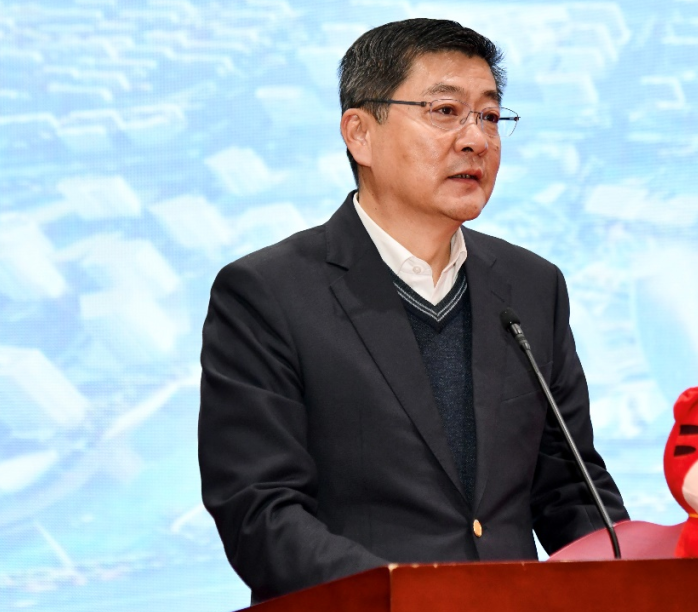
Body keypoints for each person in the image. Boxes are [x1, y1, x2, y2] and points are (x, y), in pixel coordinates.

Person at [198, 18, 628, 603]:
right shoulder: (268, 293)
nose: (476, 139)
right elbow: (260, 512)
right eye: (445, 111)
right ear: (360, 134)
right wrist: (411, 597)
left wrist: (639, 581)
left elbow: (571, 491)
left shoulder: (532, 287)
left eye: (489, 116)